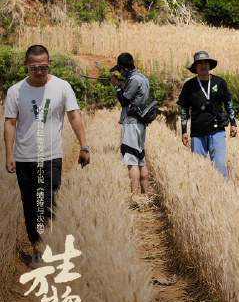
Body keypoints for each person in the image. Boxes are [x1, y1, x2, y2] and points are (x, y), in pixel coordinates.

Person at [3, 45, 91, 268]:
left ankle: (48, 248)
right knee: (30, 205)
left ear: (49, 62)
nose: (40, 71)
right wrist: (9, 154)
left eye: (44, 66)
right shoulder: (15, 91)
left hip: (51, 156)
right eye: (35, 67)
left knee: (48, 203)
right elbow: (10, 123)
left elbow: (73, 116)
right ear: (26, 65)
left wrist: (84, 146)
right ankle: (36, 248)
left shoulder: (62, 87)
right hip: (24, 158)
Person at [177, 51, 237, 179]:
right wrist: (184, 131)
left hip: (217, 131)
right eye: (199, 63)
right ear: (195, 67)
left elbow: (228, 104)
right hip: (197, 133)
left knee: (220, 167)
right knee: (198, 171)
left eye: (205, 62)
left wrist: (233, 124)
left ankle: (223, 193)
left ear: (210, 65)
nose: (203, 65)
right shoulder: (189, 86)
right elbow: (184, 110)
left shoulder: (219, 82)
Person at [109, 52, 150, 198]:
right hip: (140, 123)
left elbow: (125, 101)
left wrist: (116, 86)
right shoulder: (143, 78)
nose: (119, 73)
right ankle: (145, 196)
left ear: (124, 69)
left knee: (132, 161)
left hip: (131, 123)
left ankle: (134, 197)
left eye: (119, 70)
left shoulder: (133, 80)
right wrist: (121, 84)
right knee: (141, 159)